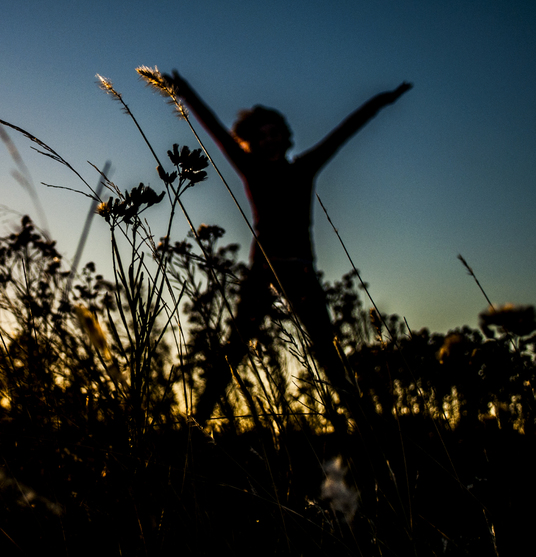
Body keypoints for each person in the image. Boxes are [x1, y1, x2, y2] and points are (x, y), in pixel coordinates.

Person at [164, 71, 412, 426]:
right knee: (234, 350)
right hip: (262, 273)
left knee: (328, 354)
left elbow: (345, 131)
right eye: (261, 135)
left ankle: (369, 430)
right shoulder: (249, 168)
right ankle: (194, 426)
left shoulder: (304, 167)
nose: (268, 139)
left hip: (301, 272)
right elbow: (216, 130)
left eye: (274, 132)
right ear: (251, 142)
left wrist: (382, 100)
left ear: (285, 135)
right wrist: (183, 90)